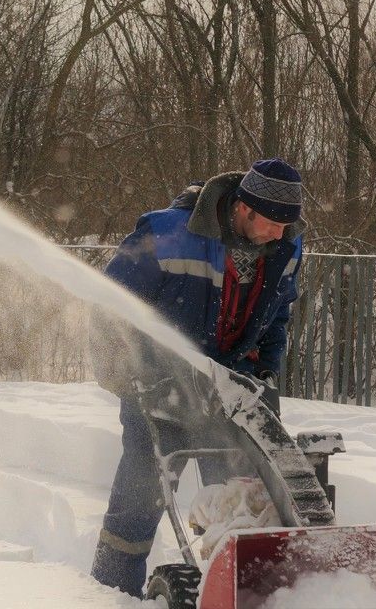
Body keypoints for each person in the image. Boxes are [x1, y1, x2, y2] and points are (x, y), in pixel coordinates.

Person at [89, 158, 306, 597]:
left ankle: (233, 596)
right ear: (243, 208)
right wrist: (120, 371)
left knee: (239, 501)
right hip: (158, 385)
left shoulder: (286, 245)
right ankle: (112, 592)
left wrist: (266, 364)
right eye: (272, 223)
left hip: (234, 389)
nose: (281, 234)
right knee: (140, 495)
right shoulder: (169, 234)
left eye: (288, 225)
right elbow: (107, 304)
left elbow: (279, 312)